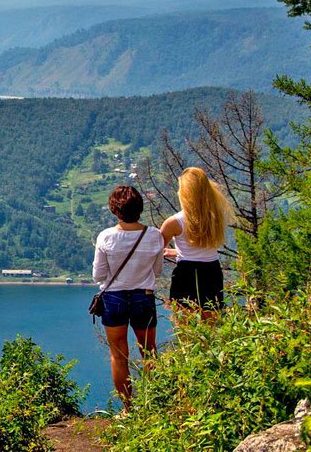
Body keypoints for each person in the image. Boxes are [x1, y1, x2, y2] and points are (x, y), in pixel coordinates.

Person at [93, 185, 164, 410]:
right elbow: (158, 270)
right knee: (149, 352)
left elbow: (98, 275)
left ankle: (128, 409)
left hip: (114, 300)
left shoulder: (106, 237)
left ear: (115, 210)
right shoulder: (154, 236)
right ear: (139, 207)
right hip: (144, 297)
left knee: (119, 356)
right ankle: (154, 405)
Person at [159, 167, 232, 317]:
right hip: (213, 271)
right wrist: (179, 252)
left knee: (185, 327)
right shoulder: (218, 216)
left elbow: (156, 250)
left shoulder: (174, 222)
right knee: (212, 324)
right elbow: (202, 248)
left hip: (186, 274)